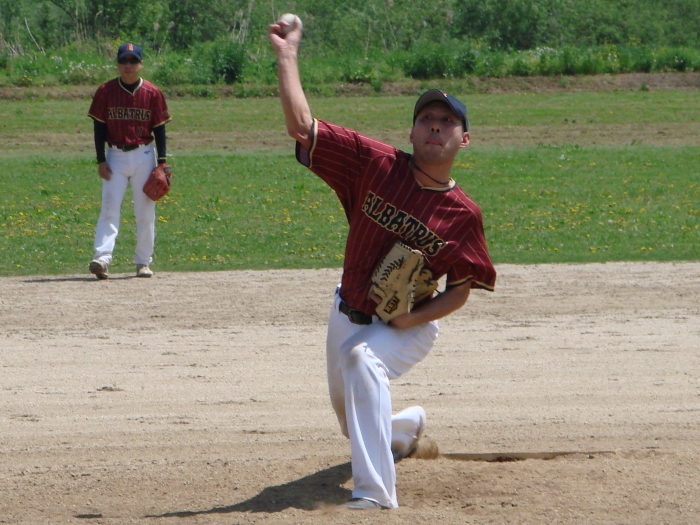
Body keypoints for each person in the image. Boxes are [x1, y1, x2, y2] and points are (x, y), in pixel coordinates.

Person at [269, 18, 496, 510]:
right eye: (426, 118)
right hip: (346, 311)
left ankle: (374, 495)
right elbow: (301, 127)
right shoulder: (373, 164)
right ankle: (406, 427)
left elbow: (460, 289)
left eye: (447, 121)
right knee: (354, 421)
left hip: (406, 325)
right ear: (411, 131)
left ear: (464, 139)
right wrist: (287, 55)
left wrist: (411, 319)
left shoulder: (463, 215)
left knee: (361, 362)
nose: (435, 126)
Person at [87, 43, 172, 279]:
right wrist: (101, 160)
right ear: (117, 64)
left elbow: (160, 128)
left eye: (133, 61)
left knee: (145, 211)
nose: (128, 65)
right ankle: (102, 258)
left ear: (140, 64)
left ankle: (143, 262)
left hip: (144, 155)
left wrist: (162, 162)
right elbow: (99, 127)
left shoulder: (152, 92)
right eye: (124, 61)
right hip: (115, 156)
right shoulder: (105, 91)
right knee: (109, 207)